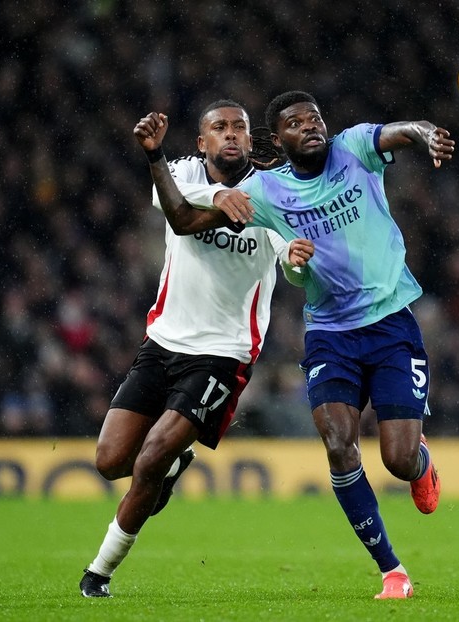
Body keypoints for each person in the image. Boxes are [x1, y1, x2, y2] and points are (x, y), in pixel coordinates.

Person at [138, 90, 455, 599]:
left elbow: (401, 128)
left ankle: (418, 459)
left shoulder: (354, 149)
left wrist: (426, 134)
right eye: (296, 123)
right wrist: (281, 252)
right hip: (329, 333)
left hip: (392, 325)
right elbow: (185, 223)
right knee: (337, 445)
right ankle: (392, 571)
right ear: (280, 139)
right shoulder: (266, 191)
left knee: (396, 460)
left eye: (316, 119)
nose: (310, 126)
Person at [79, 99, 314, 598]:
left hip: (223, 354)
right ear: (202, 142)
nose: (230, 135)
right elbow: (179, 215)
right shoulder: (180, 171)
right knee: (109, 461)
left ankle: (98, 573)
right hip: (162, 342)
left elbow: (289, 267)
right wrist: (176, 169)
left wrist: (296, 261)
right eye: (218, 128)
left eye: (239, 128)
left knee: (149, 461)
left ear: (252, 141)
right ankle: (173, 467)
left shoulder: (272, 193)